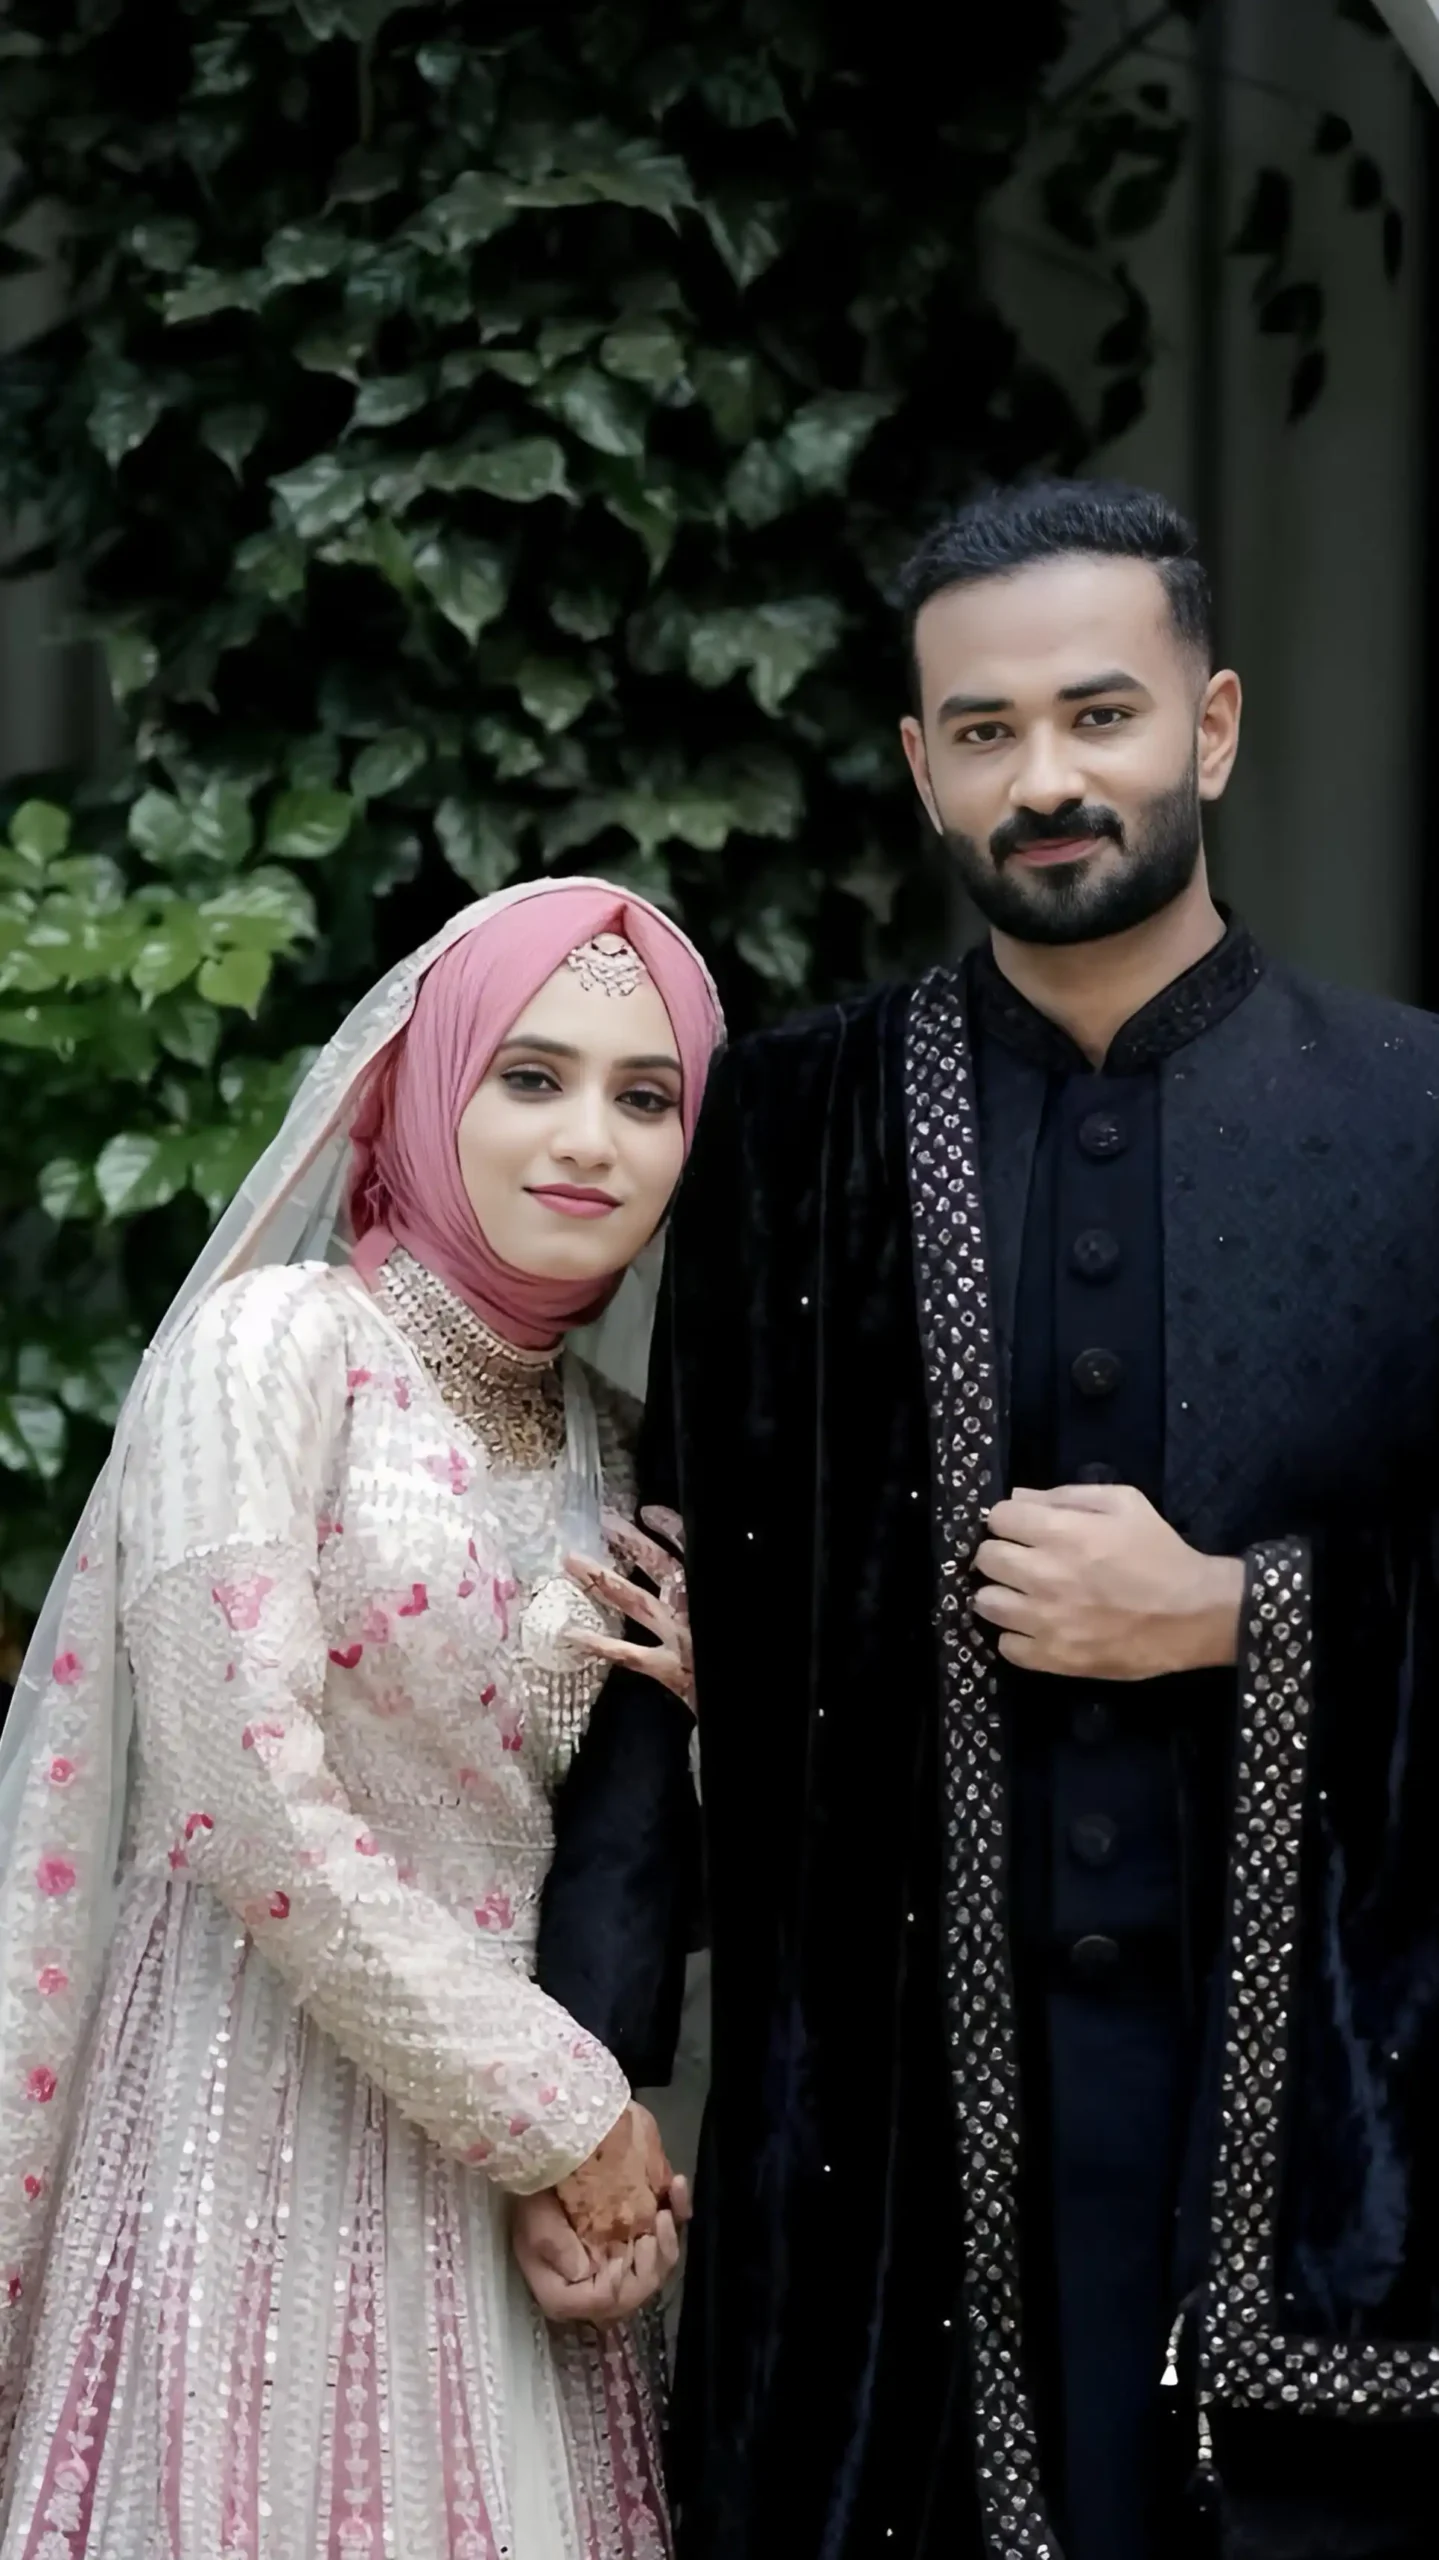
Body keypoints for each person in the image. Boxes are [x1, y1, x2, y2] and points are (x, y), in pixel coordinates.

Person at [535, 482, 1439, 2560]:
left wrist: (1242, 1611)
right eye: (980, 728)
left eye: (1096, 714)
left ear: (1206, 727)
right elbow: (664, 1619)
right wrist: (579, 2093)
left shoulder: (1412, 1117)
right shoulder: (793, 1118)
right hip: (892, 2143)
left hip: (1306, 2110)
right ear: (917, 760)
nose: (1043, 779)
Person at [0, 876, 723, 2558]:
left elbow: (633, 1884)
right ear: (422, 1078)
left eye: (645, 1094)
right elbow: (240, 1791)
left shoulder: (628, 1454)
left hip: (514, 2219)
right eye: (528, 1076)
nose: (590, 1140)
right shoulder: (277, 1346)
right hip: (246, 2139)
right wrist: (560, 2111)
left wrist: (602, 2195)